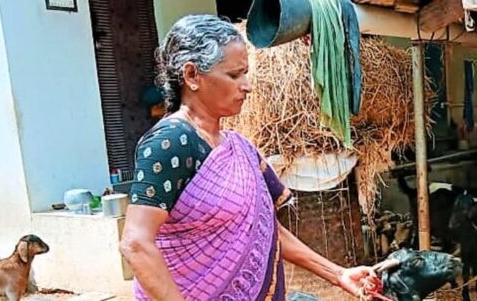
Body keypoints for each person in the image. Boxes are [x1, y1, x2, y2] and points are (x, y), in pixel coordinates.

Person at [119, 15, 377, 301]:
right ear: (192, 76)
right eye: (233, 75)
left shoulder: (239, 147)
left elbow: (264, 230)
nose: (247, 85)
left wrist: (338, 274)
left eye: (245, 73)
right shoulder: (170, 144)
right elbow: (136, 243)